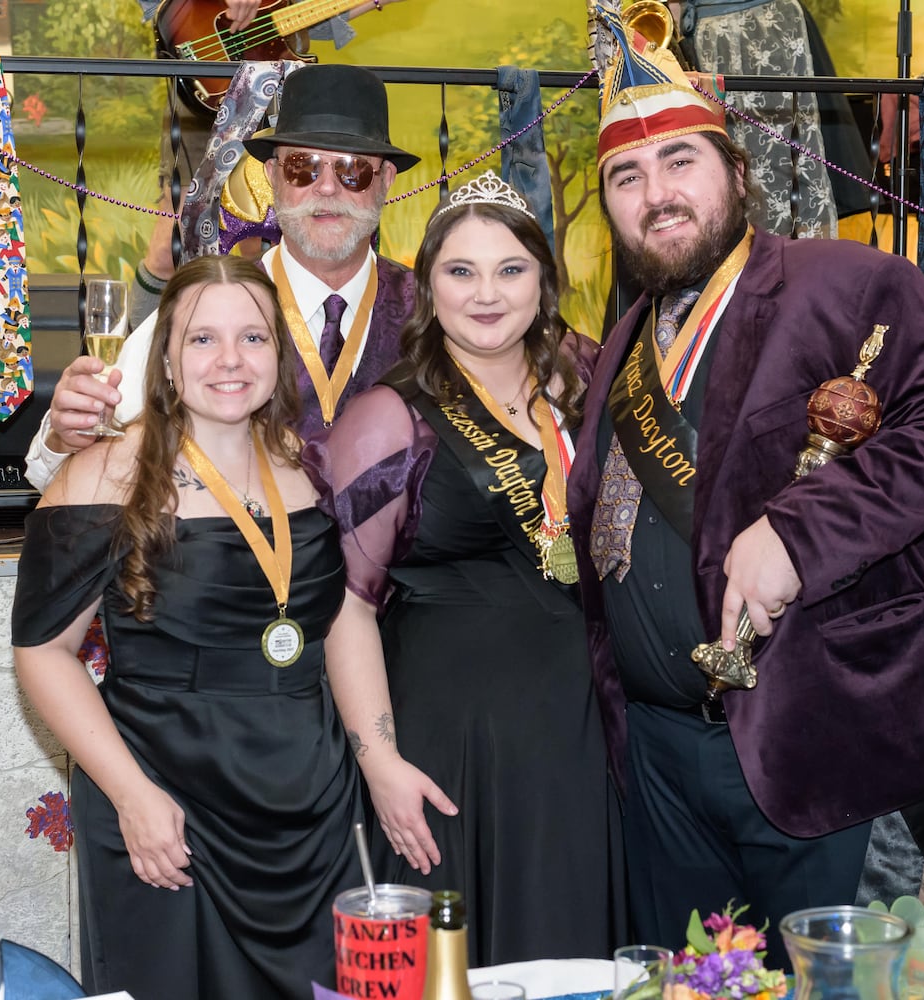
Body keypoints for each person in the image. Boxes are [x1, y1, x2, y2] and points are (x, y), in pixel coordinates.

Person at [566, 19, 924, 962]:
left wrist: (794, 538)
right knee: (696, 986)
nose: (657, 195)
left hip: (817, 743)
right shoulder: (621, 348)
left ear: (732, 166)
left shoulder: (846, 282)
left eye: (679, 161)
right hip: (660, 763)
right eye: (626, 178)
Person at [11, 255, 362, 1000]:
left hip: (311, 805)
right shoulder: (103, 476)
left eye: (253, 339)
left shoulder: (307, 468)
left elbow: (338, 623)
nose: (230, 361)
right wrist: (133, 797)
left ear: (280, 354)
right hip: (164, 805)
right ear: (165, 360)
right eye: (203, 340)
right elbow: (44, 651)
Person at [306, 172, 623, 967]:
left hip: (587, 742)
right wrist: (380, 764)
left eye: (510, 269)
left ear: (544, 283)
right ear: (427, 286)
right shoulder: (390, 415)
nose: (487, 294)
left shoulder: (585, 386)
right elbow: (346, 603)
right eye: (461, 271)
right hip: (457, 751)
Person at [25, 61, 417, 488]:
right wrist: (66, 436)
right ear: (273, 177)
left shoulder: (434, 312)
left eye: (352, 170)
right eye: (303, 166)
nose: (326, 188)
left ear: (385, 182)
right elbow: (50, 477)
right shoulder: (203, 305)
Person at [132, 0, 407, 320]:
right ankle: (138, 361)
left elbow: (298, 13)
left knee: (254, 252)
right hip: (207, 81)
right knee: (170, 249)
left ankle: (254, 355)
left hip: (277, 84)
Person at [666, 0, 838, 239]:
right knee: (721, 158)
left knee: (783, 162)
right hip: (707, 35)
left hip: (763, 28)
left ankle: (789, 261)